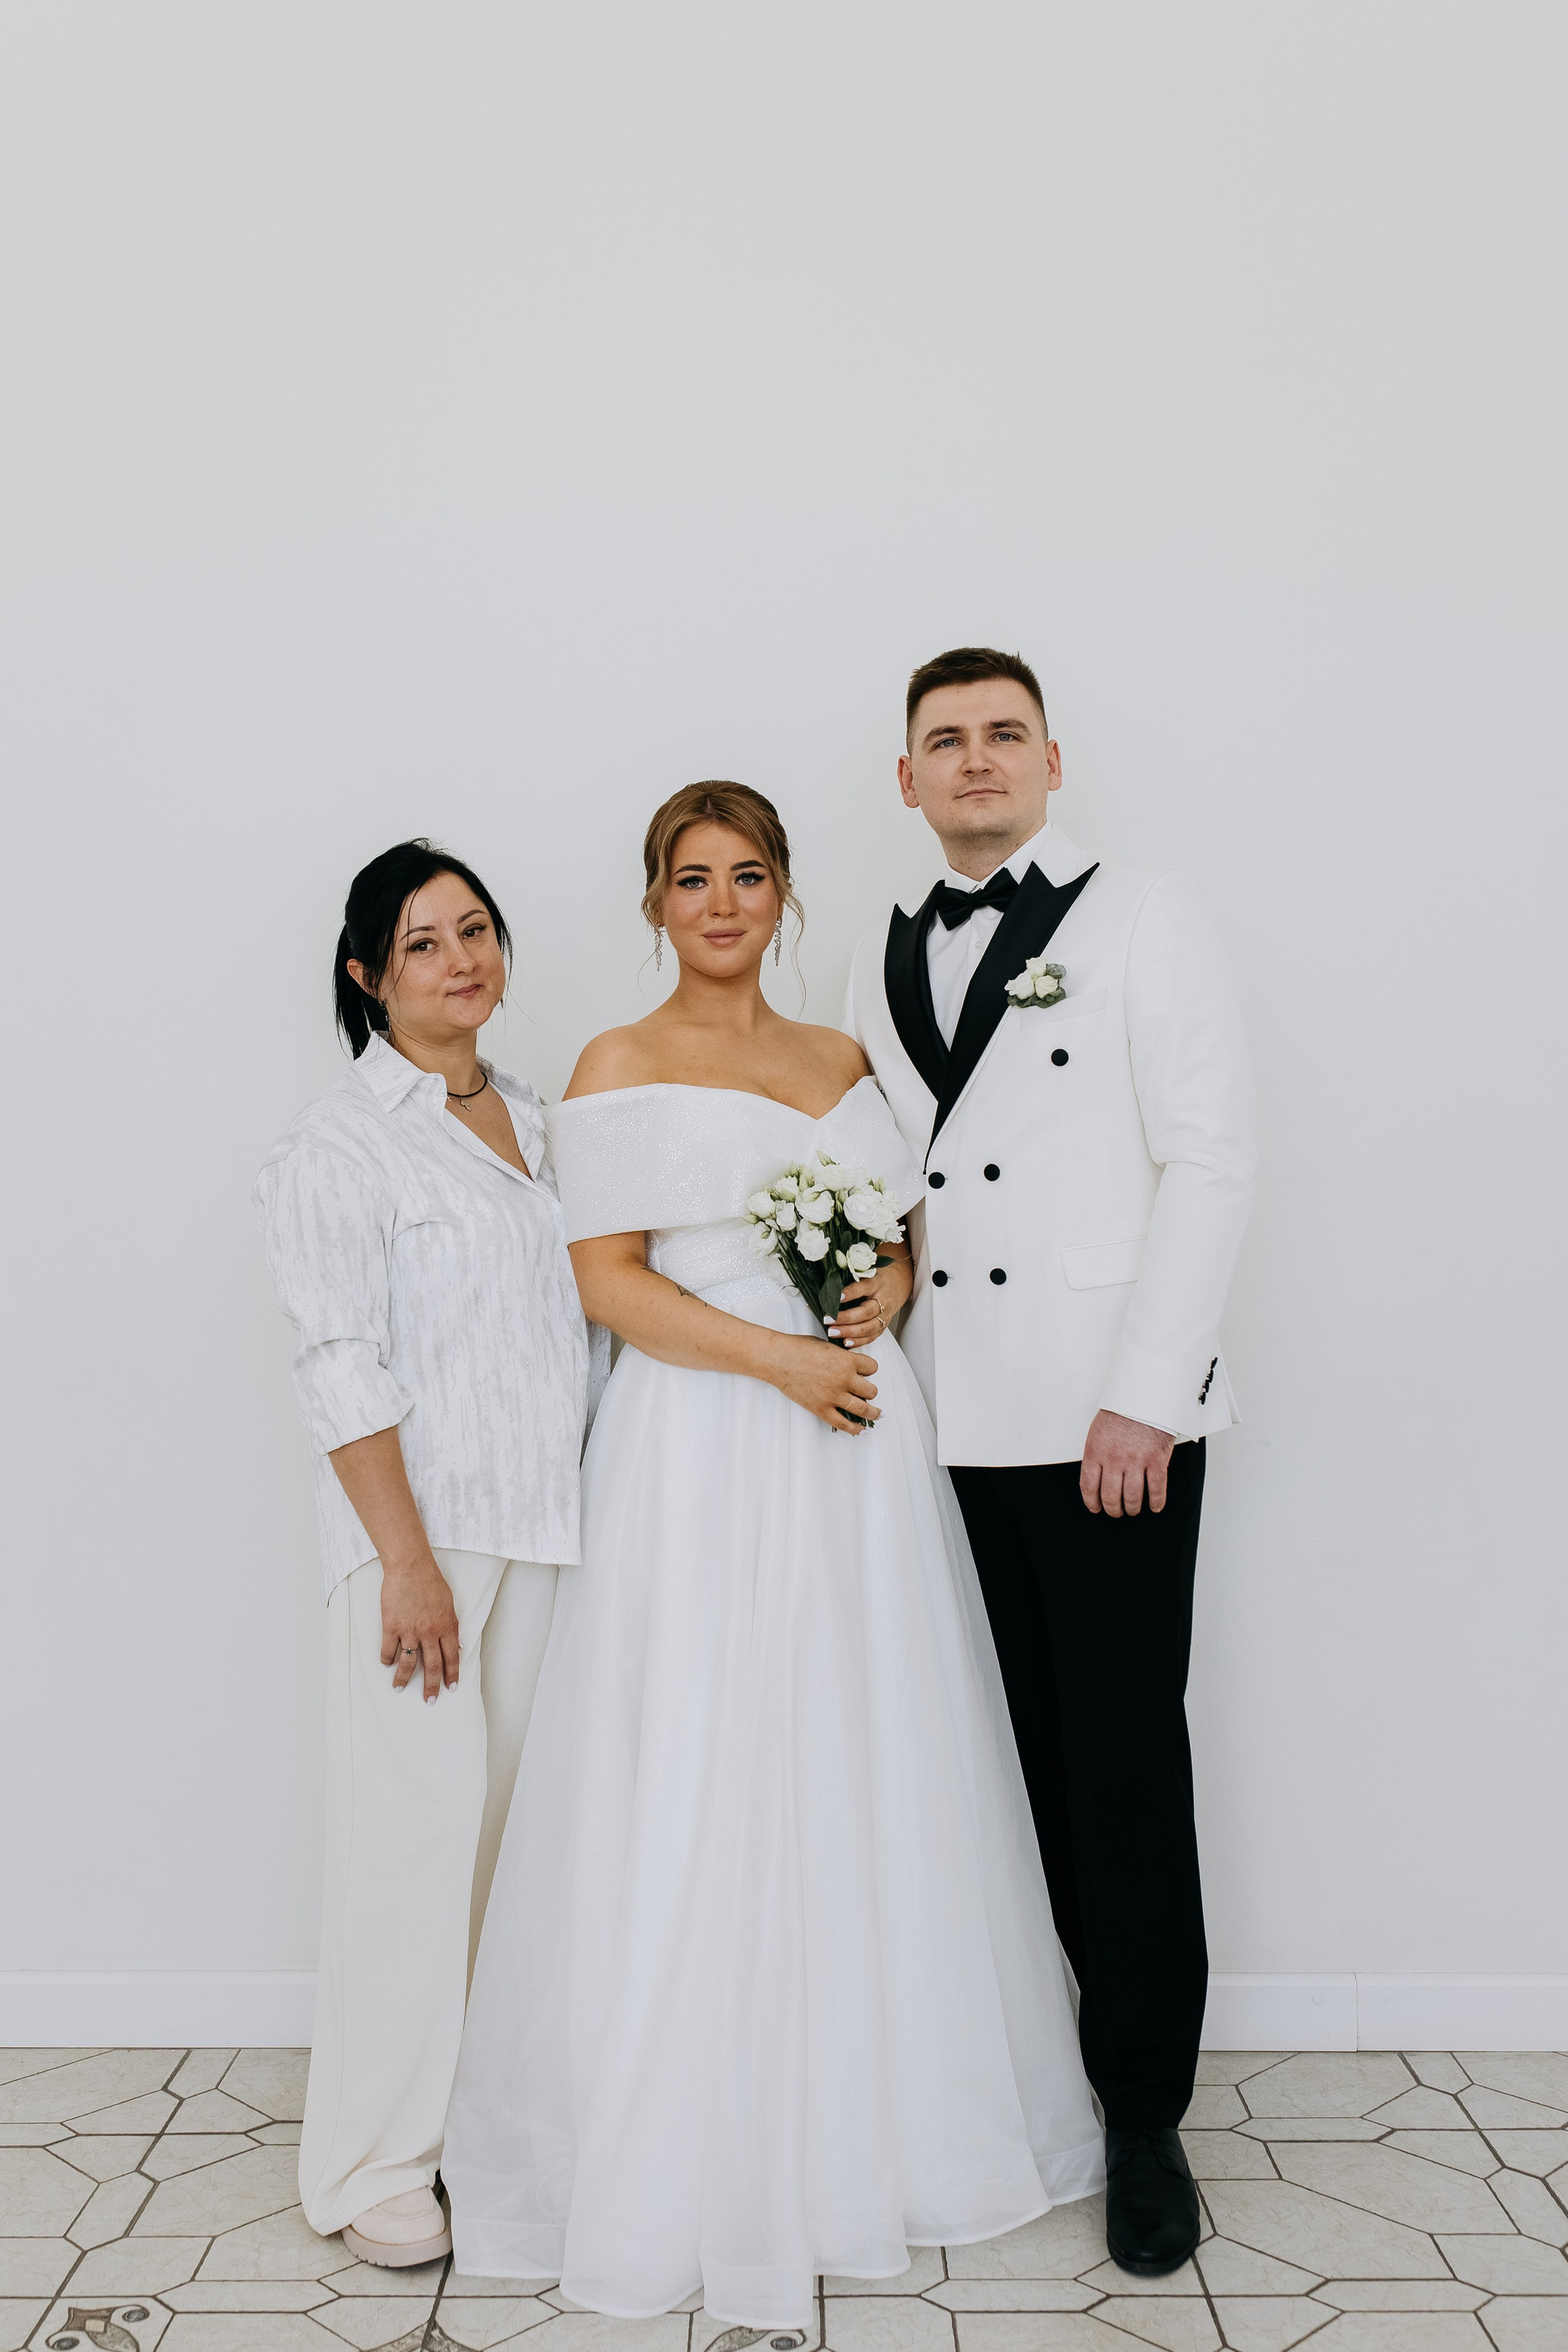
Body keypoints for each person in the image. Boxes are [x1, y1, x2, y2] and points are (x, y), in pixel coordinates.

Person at [443, 782, 1103, 2328]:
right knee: (700, 1743)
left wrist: (885, 1291)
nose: (722, 903)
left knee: (861, 1742)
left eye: (747, 875)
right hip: (701, 1445)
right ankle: (683, 2122)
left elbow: (908, 1232)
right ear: (656, 903)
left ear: (784, 893)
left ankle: (874, 2111)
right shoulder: (618, 1063)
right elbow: (608, 1282)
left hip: (857, 1456)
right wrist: (782, 1360)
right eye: (693, 879)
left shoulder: (843, 1059)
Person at [844, 647, 1256, 2276]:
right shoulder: (880, 951)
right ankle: (1034, 2074)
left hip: (1104, 1427)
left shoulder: (1145, 912)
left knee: (1122, 1765)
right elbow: (894, 1178)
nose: (977, 759)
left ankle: (1145, 2114)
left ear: (1051, 759)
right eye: (945, 740)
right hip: (945, 1424)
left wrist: (1146, 1396)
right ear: (906, 779)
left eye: (1003, 733)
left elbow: (1211, 1161)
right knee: (1002, 1766)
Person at [254, 839, 591, 2267]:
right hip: (422, 1542)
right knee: (411, 1846)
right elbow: (338, 1362)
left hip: (545, 1530)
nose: (461, 960)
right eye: (422, 943)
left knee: (511, 1849)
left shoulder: (539, 1116)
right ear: (368, 976)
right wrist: (405, 1561)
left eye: (475, 931)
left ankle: (475, 2130)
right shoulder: (342, 1141)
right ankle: (371, 2163)